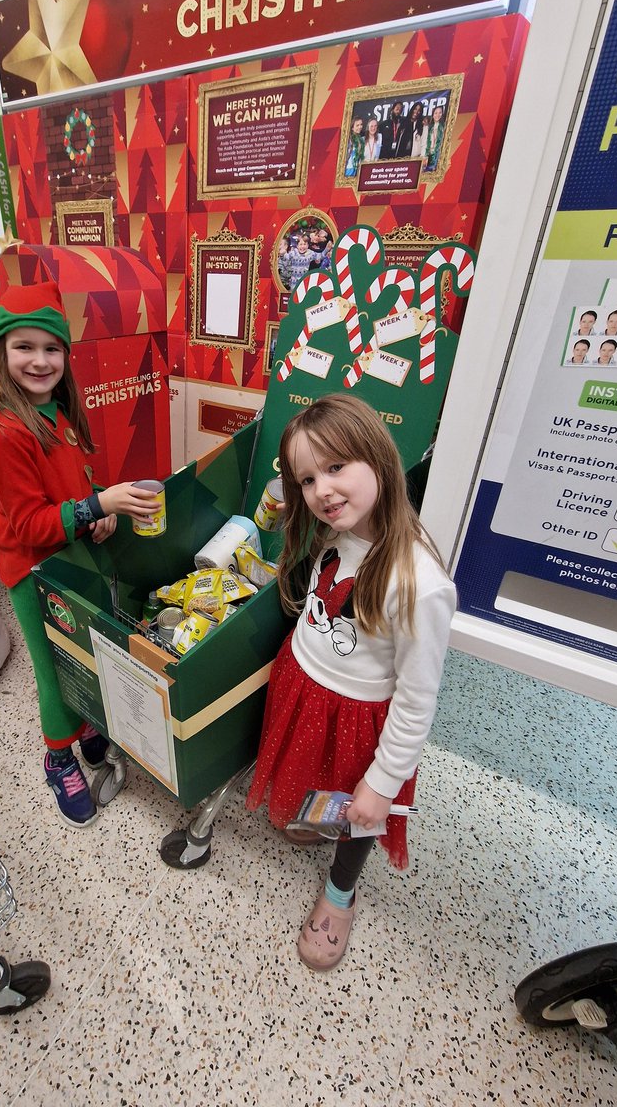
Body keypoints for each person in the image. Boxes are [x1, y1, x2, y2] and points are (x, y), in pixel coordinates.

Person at [246, 395, 456, 971]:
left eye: (336, 467)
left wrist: (383, 784)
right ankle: (318, 825)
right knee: (315, 785)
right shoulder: (333, 531)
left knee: (360, 811)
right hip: (305, 684)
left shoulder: (421, 584)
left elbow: (416, 702)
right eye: (308, 478)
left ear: (380, 462)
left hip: (361, 719)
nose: (323, 490)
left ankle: (340, 894)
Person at [0, 281, 160, 828]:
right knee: (54, 670)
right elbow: (28, 525)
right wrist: (96, 503)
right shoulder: (4, 434)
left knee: (84, 652)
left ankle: (85, 727)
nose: (39, 360)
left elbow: (71, 485)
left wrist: (94, 511)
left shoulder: (58, 412)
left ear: (65, 356)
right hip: (33, 572)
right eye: (23, 347)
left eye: (51, 348)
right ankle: (58, 757)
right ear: (0, 354)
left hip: (68, 559)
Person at [423, 105, 446, 172]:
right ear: (433, 115)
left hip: (437, 155)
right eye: (435, 113)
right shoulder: (430, 128)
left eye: (440, 113)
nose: (437, 115)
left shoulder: (443, 127)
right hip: (429, 155)